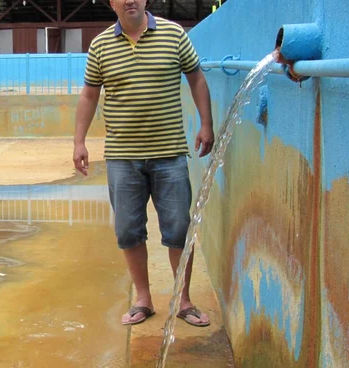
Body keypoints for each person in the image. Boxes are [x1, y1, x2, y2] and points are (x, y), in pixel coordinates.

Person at [73, 0, 214, 327]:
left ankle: (183, 300)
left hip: (170, 154)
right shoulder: (101, 45)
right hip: (123, 156)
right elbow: (89, 95)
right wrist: (79, 141)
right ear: (112, 2)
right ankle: (143, 299)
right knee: (128, 230)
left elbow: (197, 79)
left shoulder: (174, 34)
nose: (129, 0)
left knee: (179, 227)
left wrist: (206, 124)